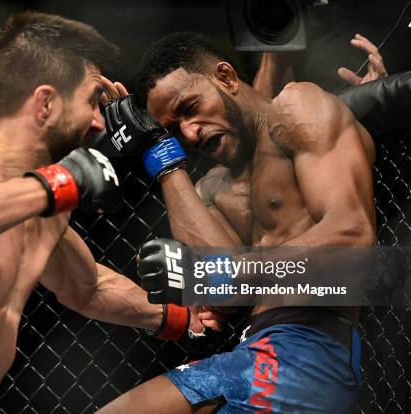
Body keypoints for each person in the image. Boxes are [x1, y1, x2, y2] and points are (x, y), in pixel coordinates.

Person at [0, 12, 222, 413]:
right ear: (45, 102)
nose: (99, 121)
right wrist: (60, 183)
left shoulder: (40, 205)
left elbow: (88, 287)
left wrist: (181, 319)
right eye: (90, 102)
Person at [97, 31, 376, 413]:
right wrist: (159, 156)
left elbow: (353, 235)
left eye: (191, 107)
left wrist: (234, 270)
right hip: (252, 352)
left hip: (308, 348)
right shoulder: (213, 188)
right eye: (174, 128)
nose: (190, 132)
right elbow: (224, 294)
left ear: (226, 77)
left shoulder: (298, 108)